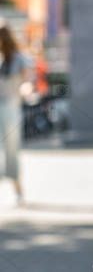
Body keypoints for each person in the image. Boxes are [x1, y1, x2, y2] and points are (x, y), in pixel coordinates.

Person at [0, 20, 35, 205]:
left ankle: (18, 191)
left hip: (10, 107)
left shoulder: (19, 58)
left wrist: (26, 88)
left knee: (11, 149)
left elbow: (28, 80)